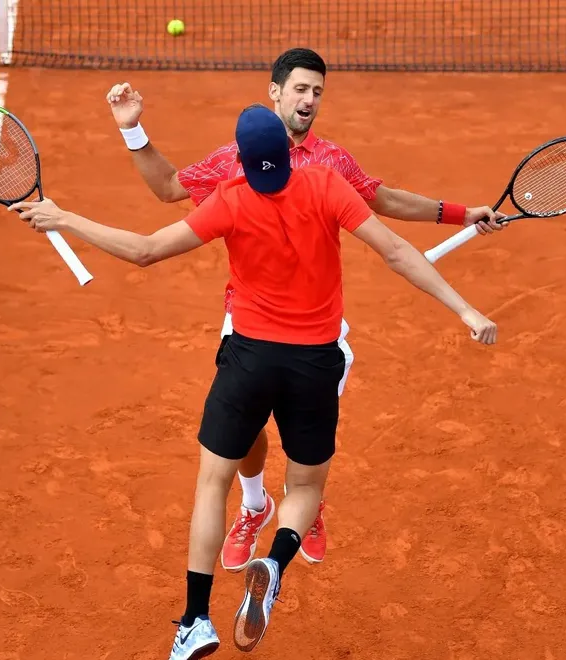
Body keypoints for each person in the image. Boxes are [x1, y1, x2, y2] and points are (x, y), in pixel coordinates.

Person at [10, 103, 497, 660]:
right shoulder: (326, 184)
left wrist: (64, 218)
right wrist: (465, 310)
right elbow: (395, 251)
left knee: (213, 483)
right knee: (307, 489)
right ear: (289, 153)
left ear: (241, 157)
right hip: (315, 363)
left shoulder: (231, 197)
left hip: (247, 360)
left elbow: (143, 250)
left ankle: (194, 620)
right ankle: (278, 559)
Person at [106, 47, 507, 571]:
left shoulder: (331, 163)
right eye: (300, 88)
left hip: (317, 332)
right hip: (248, 323)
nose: (309, 100)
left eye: (317, 91)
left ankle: (304, 505)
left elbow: (381, 199)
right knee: (246, 435)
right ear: (275, 91)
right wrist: (133, 130)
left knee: (305, 451)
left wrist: (457, 214)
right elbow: (167, 188)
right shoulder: (237, 158)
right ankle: (256, 505)